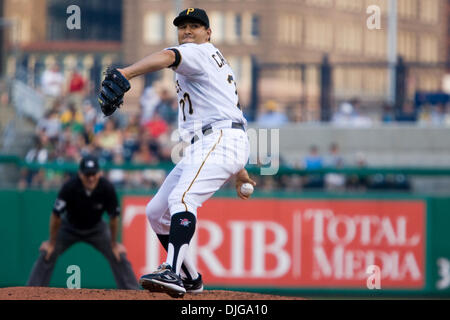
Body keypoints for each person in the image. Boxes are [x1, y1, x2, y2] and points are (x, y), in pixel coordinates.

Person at [98, 8, 256, 297]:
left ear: (208, 33)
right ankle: (191, 277)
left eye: (195, 26)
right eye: (182, 26)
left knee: (182, 198)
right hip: (214, 141)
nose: (187, 31)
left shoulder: (199, 51)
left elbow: (168, 56)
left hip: (218, 139)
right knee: (157, 212)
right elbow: (228, 112)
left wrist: (126, 72)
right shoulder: (213, 61)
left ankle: (171, 270)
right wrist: (240, 171)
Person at [26, 155, 139, 290]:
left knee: (118, 255)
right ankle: (31, 291)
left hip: (97, 228)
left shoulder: (107, 188)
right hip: (69, 227)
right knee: (48, 252)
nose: (91, 178)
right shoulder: (69, 187)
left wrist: (114, 244)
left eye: (94, 174)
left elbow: (114, 218)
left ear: (100, 173)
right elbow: (56, 215)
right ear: (80, 174)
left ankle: (133, 292)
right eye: (87, 174)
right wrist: (51, 242)